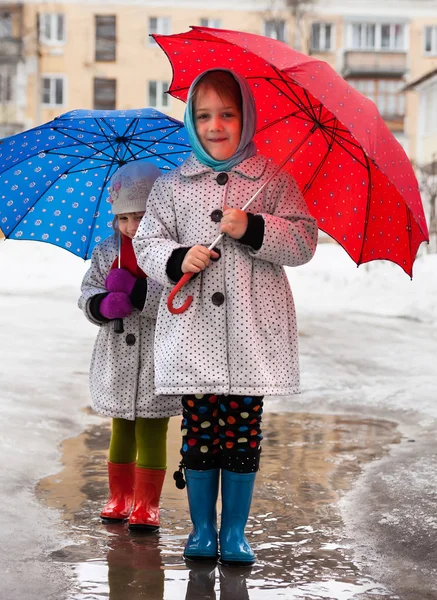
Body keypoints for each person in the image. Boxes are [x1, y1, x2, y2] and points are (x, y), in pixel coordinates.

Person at [133, 69, 318, 562]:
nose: (215, 125)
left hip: (252, 333)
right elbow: (147, 241)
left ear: (247, 119)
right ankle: (201, 530)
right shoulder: (172, 185)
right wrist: (177, 258)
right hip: (194, 333)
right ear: (191, 121)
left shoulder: (273, 179)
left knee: (241, 429)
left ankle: (233, 531)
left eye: (227, 114)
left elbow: (303, 242)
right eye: (204, 115)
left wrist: (254, 227)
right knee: (200, 429)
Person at [78, 160, 181, 531]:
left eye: (139, 217)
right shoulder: (108, 251)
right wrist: (102, 304)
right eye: (123, 218)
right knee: (121, 428)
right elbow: (88, 290)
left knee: (152, 430)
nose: (131, 227)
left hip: (157, 356)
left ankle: (147, 504)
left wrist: (138, 291)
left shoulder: (168, 251)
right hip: (117, 356)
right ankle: (119, 497)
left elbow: (177, 299)